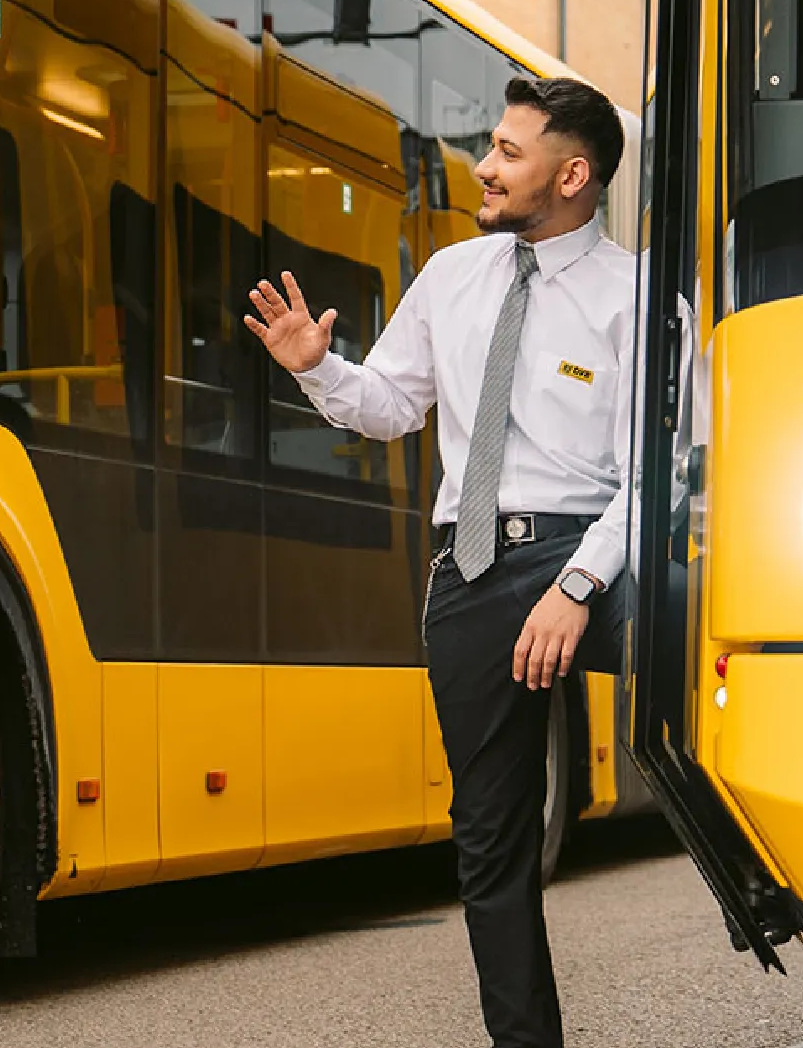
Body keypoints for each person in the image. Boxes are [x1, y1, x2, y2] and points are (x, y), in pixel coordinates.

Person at [245, 75, 634, 1048]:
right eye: (491, 145)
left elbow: (669, 469)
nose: (485, 163)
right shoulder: (453, 274)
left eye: (508, 150)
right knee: (489, 844)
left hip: (592, 558)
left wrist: (577, 583)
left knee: (729, 716)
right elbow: (388, 405)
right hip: (467, 569)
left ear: (572, 173)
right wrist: (315, 366)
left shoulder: (634, 298)